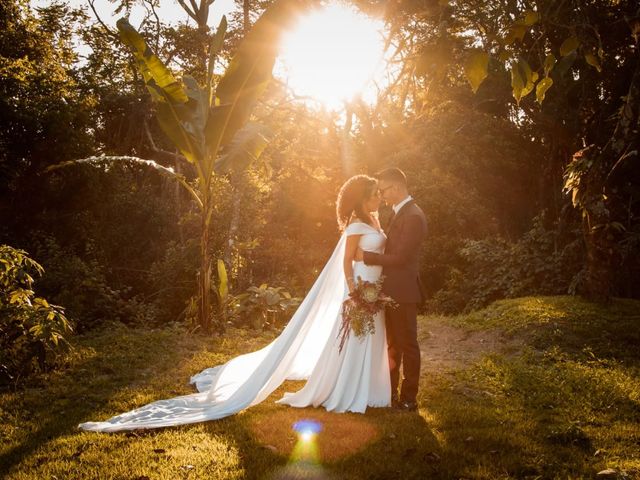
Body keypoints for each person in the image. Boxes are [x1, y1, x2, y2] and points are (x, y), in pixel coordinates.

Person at [78, 175, 390, 432]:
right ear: (361, 199)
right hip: (360, 289)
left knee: (370, 338)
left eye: (378, 193)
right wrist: (354, 291)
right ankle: (349, 390)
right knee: (357, 339)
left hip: (374, 289)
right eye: (375, 193)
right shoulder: (355, 226)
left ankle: (370, 388)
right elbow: (347, 262)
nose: (379, 197)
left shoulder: (375, 221)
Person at [355, 167, 427, 412]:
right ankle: (390, 393)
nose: (382, 196)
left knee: (408, 345)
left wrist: (367, 257)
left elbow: (400, 258)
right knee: (393, 345)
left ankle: (409, 399)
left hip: (404, 291)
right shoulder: (401, 213)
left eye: (383, 190)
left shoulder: (414, 216)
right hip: (392, 290)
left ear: (396, 188)